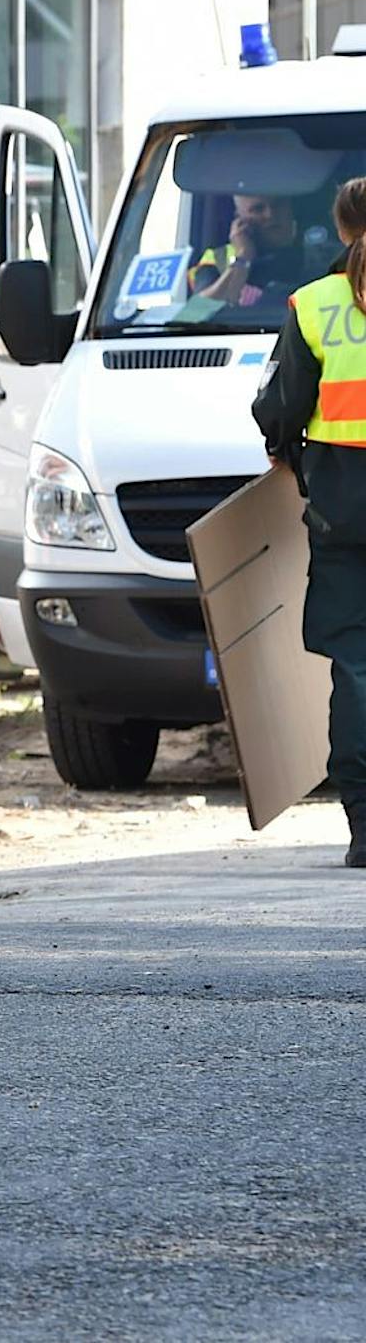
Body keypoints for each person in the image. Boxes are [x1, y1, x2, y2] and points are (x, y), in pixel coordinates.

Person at [252, 176, 366, 871]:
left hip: (344, 508)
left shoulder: (315, 303)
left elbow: (279, 406)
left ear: (339, 228)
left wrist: (282, 448)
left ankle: (365, 828)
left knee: (356, 665)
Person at [191, 193, 314, 307]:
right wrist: (243, 258)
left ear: (291, 208)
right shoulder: (218, 259)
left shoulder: (318, 253)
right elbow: (198, 312)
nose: (270, 214)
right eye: (258, 209)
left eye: (278, 205)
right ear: (239, 219)